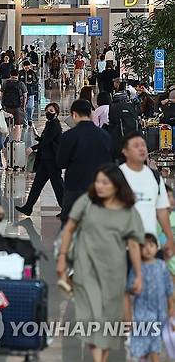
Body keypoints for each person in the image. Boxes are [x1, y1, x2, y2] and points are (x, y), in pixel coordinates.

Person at [57, 164, 144, 362]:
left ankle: (99, 358)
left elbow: (134, 244)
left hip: (114, 274)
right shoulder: (87, 202)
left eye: (105, 182)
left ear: (116, 185)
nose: (100, 186)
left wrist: (138, 274)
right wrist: (62, 257)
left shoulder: (127, 211)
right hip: (85, 271)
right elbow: (69, 228)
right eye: (98, 182)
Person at [57, 99, 113, 226]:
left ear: (74, 114)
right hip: (99, 188)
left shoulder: (69, 136)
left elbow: (61, 163)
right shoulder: (104, 135)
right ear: (90, 114)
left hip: (75, 187)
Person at [119, 133, 175, 255]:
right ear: (125, 151)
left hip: (151, 245)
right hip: (123, 247)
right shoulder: (117, 176)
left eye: (143, 145)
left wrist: (170, 238)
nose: (141, 148)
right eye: (136, 146)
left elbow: (161, 210)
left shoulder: (154, 176)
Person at [125, 233, 174, 362]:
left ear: (156, 247)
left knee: (155, 346)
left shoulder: (161, 266)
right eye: (143, 246)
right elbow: (129, 287)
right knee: (145, 345)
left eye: (151, 245)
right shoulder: (137, 268)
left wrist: (172, 306)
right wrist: (133, 288)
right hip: (142, 312)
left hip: (159, 312)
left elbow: (169, 287)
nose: (147, 249)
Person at [16, 103, 64, 216]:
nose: (48, 112)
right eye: (47, 110)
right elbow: (45, 139)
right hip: (45, 160)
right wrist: (37, 136)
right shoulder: (50, 123)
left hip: (52, 161)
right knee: (37, 184)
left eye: (51, 111)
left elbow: (47, 141)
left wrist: (32, 148)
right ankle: (28, 207)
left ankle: (66, 209)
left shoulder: (55, 125)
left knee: (58, 186)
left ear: (56, 113)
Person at [1, 69, 27, 141]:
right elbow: (25, 96)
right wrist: (24, 106)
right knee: (17, 124)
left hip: (7, 106)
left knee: (8, 123)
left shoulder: (5, 83)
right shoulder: (20, 83)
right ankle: (16, 140)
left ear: (10, 75)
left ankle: (8, 138)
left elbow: (1, 95)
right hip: (18, 107)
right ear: (18, 75)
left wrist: (2, 104)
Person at [18, 61, 39, 126]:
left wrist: (32, 83)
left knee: (29, 107)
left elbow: (36, 81)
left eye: (28, 65)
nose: (27, 67)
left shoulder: (32, 73)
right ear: (23, 66)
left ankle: (30, 119)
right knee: (23, 107)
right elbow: (18, 82)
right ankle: (25, 121)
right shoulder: (20, 73)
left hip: (30, 92)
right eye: (25, 66)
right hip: (22, 93)